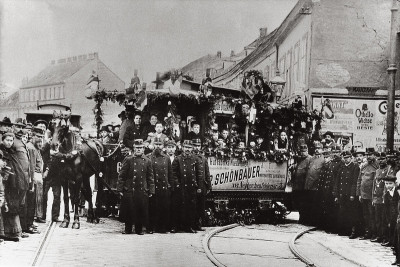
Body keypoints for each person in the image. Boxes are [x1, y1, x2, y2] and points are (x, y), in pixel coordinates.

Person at [117, 139, 154, 235]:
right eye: (137, 148)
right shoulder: (128, 159)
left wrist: (151, 190)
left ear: (143, 149)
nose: (138, 150)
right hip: (130, 189)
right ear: (134, 148)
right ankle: (127, 229)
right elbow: (122, 175)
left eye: (140, 148)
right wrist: (120, 189)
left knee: (141, 210)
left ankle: (139, 229)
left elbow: (150, 177)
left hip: (142, 189)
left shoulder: (147, 161)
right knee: (129, 210)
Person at [0, 133, 29, 241]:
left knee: (13, 205)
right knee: (5, 206)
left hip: (13, 184)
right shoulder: (1, 152)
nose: (9, 142)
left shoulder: (12, 152)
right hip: (4, 183)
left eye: (11, 140)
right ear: (3, 140)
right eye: (7, 140)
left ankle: (15, 232)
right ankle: (4, 233)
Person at [172, 140, 202, 233]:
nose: (187, 149)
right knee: (178, 206)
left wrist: (199, 186)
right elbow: (173, 173)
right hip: (180, 187)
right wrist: (177, 183)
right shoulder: (178, 159)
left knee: (191, 207)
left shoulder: (195, 159)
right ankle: (176, 226)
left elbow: (199, 174)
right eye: (186, 147)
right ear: (182, 148)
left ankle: (189, 226)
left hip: (191, 187)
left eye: (189, 147)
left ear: (192, 148)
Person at [147, 137, 172, 233]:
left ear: (163, 146)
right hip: (153, 187)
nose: (158, 146)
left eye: (160, 144)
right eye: (156, 144)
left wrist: (170, 186)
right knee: (152, 208)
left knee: (163, 208)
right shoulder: (149, 157)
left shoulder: (166, 158)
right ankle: (151, 227)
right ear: (153, 145)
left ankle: (162, 227)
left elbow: (170, 173)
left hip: (164, 187)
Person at [334, 151, 360, 238]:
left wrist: (353, 194)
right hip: (342, 194)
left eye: (348, 158)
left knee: (351, 213)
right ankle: (343, 230)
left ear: (351, 158)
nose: (346, 160)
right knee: (343, 212)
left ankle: (351, 231)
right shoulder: (341, 168)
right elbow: (337, 182)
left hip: (349, 195)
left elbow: (354, 182)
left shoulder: (355, 167)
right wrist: (336, 195)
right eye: (344, 158)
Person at [356, 147, 379, 240]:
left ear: (374, 155)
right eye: (367, 155)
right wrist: (359, 194)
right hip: (364, 195)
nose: (368, 156)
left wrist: (374, 196)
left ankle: (374, 233)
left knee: (372, 215)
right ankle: (367, 232)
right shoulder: (364, 166)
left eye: (370, 155)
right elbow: (359, 180)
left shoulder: (377, 166)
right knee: (365, 215)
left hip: (372, 196)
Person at [192, 138, 211, 231]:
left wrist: (209, 186)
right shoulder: (190, 157)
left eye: (198, 146)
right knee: (193, 206)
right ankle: (192, 225)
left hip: (202, 185)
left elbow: (207, 173)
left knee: (201, 206)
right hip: (193, 186)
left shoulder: (203, 158)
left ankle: (198, 225)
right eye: (195, 145)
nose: (196, 147)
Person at [303, 142, 324, 226]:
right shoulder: (311, 159)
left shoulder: (323, 159)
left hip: (316, 186)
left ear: (322, 150)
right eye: (316, 148)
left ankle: (315, 222)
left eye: (319, 148)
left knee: (316, 205)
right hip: (309, 186)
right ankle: (309, 221)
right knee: (309, 204)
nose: (317, 150)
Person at [291, 144, 312, 224]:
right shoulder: (300, 159)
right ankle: (302, 218)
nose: (303, 153)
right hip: (297, 185)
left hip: (304, 185)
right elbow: (298, 167)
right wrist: (293, 167)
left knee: (304, 203)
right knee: (299, 203)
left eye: (305, 151)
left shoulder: (310, 159)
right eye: (302, 151)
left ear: (307, 151)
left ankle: (304, 219)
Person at [371, 152, 388, 243]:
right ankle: (379, 235)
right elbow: (374, 184)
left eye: (383, 159)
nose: (381, 161)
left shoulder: (387, 170)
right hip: (377, 198)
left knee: (383, 219)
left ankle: (385, 237)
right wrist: (373, 197)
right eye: (379, 159)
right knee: (377, 218)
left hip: (384, 198)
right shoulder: (377, 171)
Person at [166, 140, 180, 233]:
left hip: (175, 186)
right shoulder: (163, 158)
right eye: (169, 147)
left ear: (175, 148)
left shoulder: (178, 159)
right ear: (166, 148)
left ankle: (174, 226)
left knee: (175, 206)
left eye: (172, 147)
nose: (171, 150)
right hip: (165, 185)